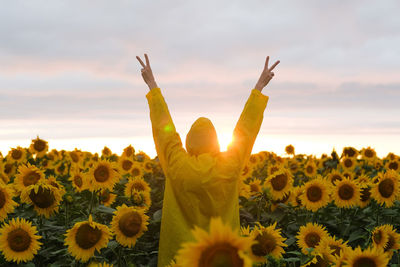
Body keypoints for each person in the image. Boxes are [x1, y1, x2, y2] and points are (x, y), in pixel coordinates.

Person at [136, 54, 279, 266]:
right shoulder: (229, 165)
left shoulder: (177, 163)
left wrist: (152, 85)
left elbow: (163, 129)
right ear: (216, 142)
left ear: (188, 141)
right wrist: (259, 88)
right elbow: (245, 132)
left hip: (179, 258)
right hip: (221, 257)